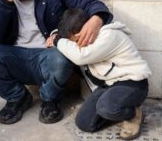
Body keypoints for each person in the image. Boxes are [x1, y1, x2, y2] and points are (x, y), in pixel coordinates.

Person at [54, 9, 151, 140]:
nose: (76, 46)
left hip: (133, 84)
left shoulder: (109, 36)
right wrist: (56, 35)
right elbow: (65, 39)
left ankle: (133, 114)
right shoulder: (88, 39)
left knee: (107, 107)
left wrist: (57, 41)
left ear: (84, 32)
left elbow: (80, 56)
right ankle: (115, 111)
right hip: (109, 85)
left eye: (76, 41)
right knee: (84, 123)